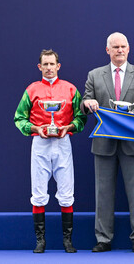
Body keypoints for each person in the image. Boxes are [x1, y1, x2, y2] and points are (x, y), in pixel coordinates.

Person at [82, 32, 134, 253]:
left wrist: (130, 116)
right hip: (104, 143)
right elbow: (84, 102)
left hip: (132, 144)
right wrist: (89, 103)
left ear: (129, 49)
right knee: (103, 194)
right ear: (108, 50)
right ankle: (103, 238)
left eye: (123, 46)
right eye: (115, 47)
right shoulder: (95, 75)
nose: (119, 50)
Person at [14, 49, 86, 253]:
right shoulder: (32, 90)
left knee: (66, 191)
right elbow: (19, 118)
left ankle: (67, 241)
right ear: (39, 67)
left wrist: (68, 128)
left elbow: (81, 118)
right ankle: (40, 241)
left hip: (63, 142)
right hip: (40, 143)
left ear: (58, 66)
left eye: (51, 64)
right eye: (44, 64)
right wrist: (35, 129)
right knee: (38, 191)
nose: (48, 68)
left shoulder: (71, 89)